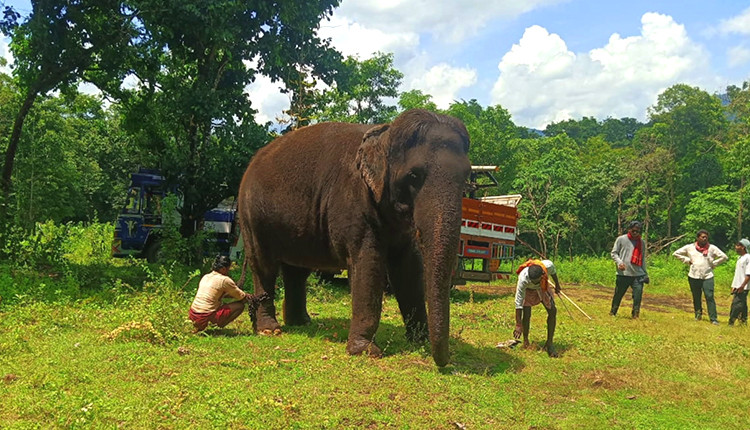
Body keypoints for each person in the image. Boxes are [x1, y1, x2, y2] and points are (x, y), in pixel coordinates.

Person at [673, 230, 728, 325]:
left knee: (709, 296)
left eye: (706, 237)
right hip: (694, 276)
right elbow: (676, 253)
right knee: (696, 296)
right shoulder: (690, 247)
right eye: (702, 237)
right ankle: (698, 315)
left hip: (707, 276)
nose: (704, 238)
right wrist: (687, 260)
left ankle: (713, 318)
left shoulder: (712, 248)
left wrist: (714, 263)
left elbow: (724, 257)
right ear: (697, 238)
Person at [512, 259, 561, 357]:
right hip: (528, 291)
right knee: (526, 315)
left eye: (535, 281)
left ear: (542, 275)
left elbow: (553, 273)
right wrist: (518, 324)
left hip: (543, 287)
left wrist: (557, 285)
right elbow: (518, 302)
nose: (533, 282)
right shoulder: (523, 279)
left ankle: (549, 343)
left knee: (552, 311)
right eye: (531, 280)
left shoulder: (547, 266)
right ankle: (526, 341)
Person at [188, 255, 250, 332]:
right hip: (205, 317)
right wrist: (251, 297)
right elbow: (242, 297)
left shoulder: (206, 276)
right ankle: (219, 325)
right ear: (223, 269)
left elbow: (217, 294)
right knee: (240, 306)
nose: (228, 271)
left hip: (193, 315)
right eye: (228, 269)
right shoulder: (224, 280)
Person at [610, 221, 649, 318]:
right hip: (623, 274)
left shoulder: (642, 243)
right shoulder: (621, 239)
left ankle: (635, 315)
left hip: (638, 275)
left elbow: (642, 259)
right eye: (634, 230)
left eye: (638, 231)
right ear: (629, 229)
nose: (635, 233)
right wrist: (620, 262)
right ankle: (613, 312)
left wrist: (645, 274)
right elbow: (614, 253)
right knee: (618, 294)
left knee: (637, 296)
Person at [729, 238, 750, 326]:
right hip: (738, 286)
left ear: (743, 247)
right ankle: (743, 321)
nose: (736, 247)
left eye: (738, 245)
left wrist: (742, 286)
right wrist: (734, 285)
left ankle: (731, 322)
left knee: (736, 305)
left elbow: (748, 274)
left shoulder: (748, 258)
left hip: (743, 286)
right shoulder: (740, 258)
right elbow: (737, 274)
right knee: (742, 304)